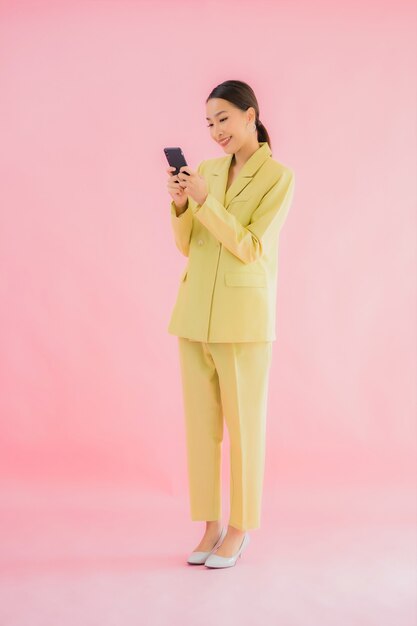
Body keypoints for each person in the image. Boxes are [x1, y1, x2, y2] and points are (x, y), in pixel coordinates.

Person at [165, 79, 295, 569]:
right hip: (195, 314)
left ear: (250, 115)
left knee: (244, 430)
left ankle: (239, 530)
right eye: (209, 123)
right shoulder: (206, 170)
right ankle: (209, 527)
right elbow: (189, 244)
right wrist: (181, 203)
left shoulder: (279, 177)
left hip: (243, 323)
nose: (216, 130)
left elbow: (250, 248)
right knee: (201, 430)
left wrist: (204, 202)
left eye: (223, 118)